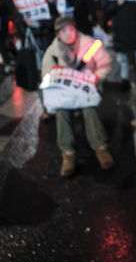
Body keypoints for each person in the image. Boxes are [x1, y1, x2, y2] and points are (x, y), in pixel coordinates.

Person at [41, 16, 114, 176]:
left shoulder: (90, 45)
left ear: (76, 28)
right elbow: (46, 75)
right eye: (63, 31)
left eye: (70, 29)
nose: (68, 34)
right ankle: (68, 154)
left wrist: (96, 76)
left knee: (89, 110)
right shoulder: (52, 52)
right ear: (58, 34)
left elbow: (105, 63)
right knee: (62, 113)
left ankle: (100, 147)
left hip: (87, 90)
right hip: (65, 94)